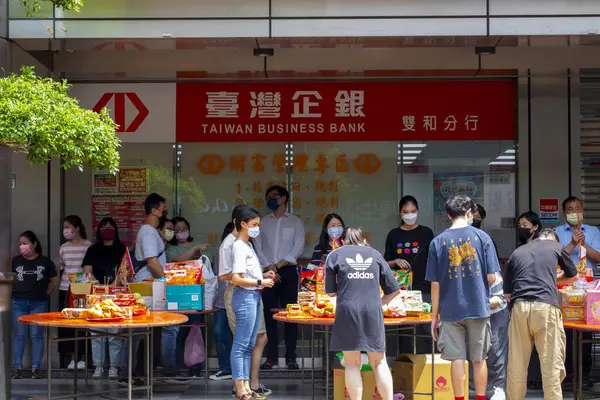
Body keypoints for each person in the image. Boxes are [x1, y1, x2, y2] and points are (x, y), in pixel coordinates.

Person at [425, 195, 500, 400]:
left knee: (457, 359)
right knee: (479, 358)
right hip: (478, 307)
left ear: (448, 215)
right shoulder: (482, 238)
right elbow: (492, 277)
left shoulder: (437, 242)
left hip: (450, 310)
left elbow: (435, 284)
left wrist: (434, 317)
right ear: (469, 214)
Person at [325, 227, 400, 400]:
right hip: (372, 311)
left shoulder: (335, 255)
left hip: (347, 311)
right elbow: (394, 290)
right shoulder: (375, 254)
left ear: (343, 241)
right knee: (379, 362)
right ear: (363, 239)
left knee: (352, 363)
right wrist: (378, 303)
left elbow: (329, 292)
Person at [504, 228, 579, 399]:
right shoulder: (557, 247)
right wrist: (551, 279)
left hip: (519, 309)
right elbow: (573, 277)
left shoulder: (517, 252)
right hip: (545, 308)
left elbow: (507, 295)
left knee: (516, 365)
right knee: (551, 365)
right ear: (553, 238)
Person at [220, 205, 272, 397]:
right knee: (242, 345)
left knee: (249, 344)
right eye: (254, 224)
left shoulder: (247, 245)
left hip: (253, 295)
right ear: (242, 224)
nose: (257, 228)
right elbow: (235, 277)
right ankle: (241, 389)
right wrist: (260, 281)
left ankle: (247, 387)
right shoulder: (238, 246)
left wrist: (261, 278)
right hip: (244, 296)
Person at [254, 185, 305, 370]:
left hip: (288, 271)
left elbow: (298, 247)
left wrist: (279, 265)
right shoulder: (263, 222)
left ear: (283, 198)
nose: (270, 200)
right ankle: (271, 357)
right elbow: (257, 246)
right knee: (269, 314)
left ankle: (291, 357)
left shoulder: (295, 222)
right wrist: (269, 266)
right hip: (266, 271)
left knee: (290, 314)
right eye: (267, 197)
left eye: (273, 196)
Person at [555, 196, 600, 385]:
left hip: (587, 287)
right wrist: (573, 243)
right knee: (564, 332)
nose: (575, 212)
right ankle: (567, 375)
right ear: (565, 212)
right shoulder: (557, 232)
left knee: (586, 330)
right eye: (571, 209)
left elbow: (598, 257)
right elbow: (555, 258)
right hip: (565, 287)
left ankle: (585, 375)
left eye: (578, 208)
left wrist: (583, 243)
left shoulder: (593, 231)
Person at [384, 196, 434, 353]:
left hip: (424, 288)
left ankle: (426, 367)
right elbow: (385, 263)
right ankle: (404, 365)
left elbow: (434, 260)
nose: (410, 215)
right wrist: (395, 261)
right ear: (400, 213)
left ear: (418, 211)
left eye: (413, 211)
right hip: (401, 291)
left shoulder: (426, 233)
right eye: (406, 212)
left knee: (425, 329)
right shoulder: (394, 234)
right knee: (404, 331)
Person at [470, 204, 509, 400]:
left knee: (497, 347)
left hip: (494, 301)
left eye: (477, 218)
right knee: (476, 350)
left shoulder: (486, 240)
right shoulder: (460, 241)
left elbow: (493, 276)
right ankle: (476, 388)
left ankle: (499, 387)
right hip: (473, 305)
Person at [82, 217, 127, 379]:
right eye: (104, 226)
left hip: (116, 294)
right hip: (96, 295)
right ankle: (98, 366)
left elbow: (124, 270)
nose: (107, 229)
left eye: (110, 226)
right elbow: (87, 271)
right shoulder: (92, 250)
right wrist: (97, 286)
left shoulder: (122, 249)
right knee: (96, 333)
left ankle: (114, 366)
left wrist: (113, 286)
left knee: (115, 333)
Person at [12, 231, 58, 379]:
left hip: (38, 303)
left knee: (36, 336)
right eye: (20, 244)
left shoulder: (45, 262)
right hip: (18, 302)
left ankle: (35, 368)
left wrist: (46, 294)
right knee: (19, 336)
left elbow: (53, 280)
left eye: (25, 243)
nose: (22, 246)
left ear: (34, 244)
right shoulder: (15, 261)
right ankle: (17, 368)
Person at [58, 215, 92, 370]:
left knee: (83, 323)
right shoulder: (63, 248)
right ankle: (70, 356)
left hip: (82, 290)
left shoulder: (88, 246)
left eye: (68, 227)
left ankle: (84, 357)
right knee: (67, 325)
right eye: (64, 227)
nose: (65, 230)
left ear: (77, 228)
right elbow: (61, 268)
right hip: (65, 289)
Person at [209, 222, 234, 381]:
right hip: (220, 300)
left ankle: (241, 371)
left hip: (238, 299)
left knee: (240, 336)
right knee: (219, 333)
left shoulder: (246, 250)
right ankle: (225, 368)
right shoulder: (221, 251)